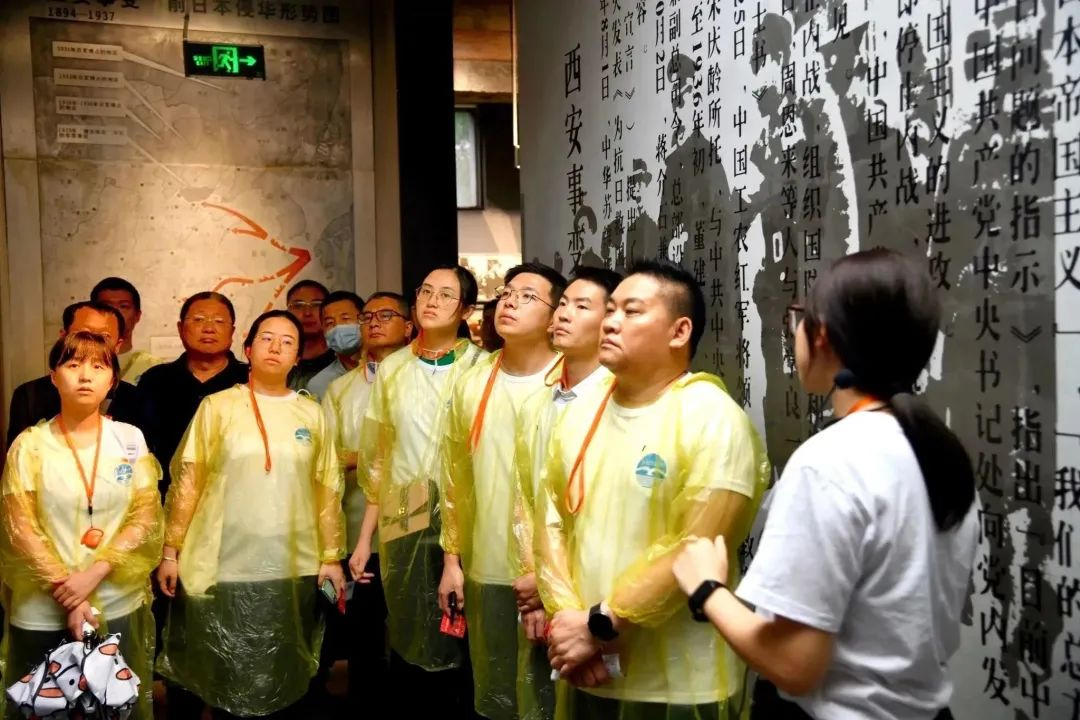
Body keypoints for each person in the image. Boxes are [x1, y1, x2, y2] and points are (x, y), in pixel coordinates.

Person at [673, 249, 979, 720]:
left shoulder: (829, 461)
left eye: (799, 318)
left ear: (822, 336)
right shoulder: (938, 454)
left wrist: (707, 590)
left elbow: (794, 665)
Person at [537, 260, 769, 720]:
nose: (611, 322)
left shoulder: (711, 417)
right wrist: (569, 622)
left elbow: (695, 547)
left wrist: (599, 625)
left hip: (680, 685)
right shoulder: (581, 412)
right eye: (611, 309)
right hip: (585, 667)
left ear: (679, 332)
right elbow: (551, 520)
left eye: (632, 311)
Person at [155, 311, 346, 719]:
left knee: (284, 674)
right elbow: (188, 482)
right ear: (247, 348)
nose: (276, 347)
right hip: (227, 563)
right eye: (266, 338)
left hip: (292, 564)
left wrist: (331, 556)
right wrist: (171, 551)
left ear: (298, 357)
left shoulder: (312, 414)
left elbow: (328, 488)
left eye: (288, 342)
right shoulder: (217, 406)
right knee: (228, 676)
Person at [0, 331, 163, 720]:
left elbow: (144, 516)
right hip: (41, 607)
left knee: (116, 707)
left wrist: (93, 575)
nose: (85, 375)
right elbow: (20, 527)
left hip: (117, 597)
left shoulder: (129, 439)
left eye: (98, 366)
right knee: (40, 707)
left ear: (113, 380)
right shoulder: (30, 444)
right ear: (54, 376)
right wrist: (69, 592)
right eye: (73, 364)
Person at [356, 265, 486, 715]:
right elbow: (379, 457)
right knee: (409, 620)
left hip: (467, 512)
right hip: (404, 508)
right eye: (426, 291)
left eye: (446, 294)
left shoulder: (482, 367)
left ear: (466, 309)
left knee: (465, 622)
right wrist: (364, 538)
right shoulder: (393, 368)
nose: (431, 300)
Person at [441, 262, 568, 720]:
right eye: (508, 292)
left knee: (554, 700)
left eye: (528, 296)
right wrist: (452, 562)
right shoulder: (472, 382)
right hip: (487, 568)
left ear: (556, 316)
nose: (510, 301)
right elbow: (455, 478)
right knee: (496, 695)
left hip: (559, 578)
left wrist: (553, 578)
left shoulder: (573, 382)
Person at [511, 266, 622, 720]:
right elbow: (526, 501)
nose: (563, 314)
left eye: (581, 306)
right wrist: (532, 579)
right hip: (542, 588)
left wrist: (551, 591)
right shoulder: (539, 402)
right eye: (562, 304)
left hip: (594, 600)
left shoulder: (617, 400)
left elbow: (605, 515)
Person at [321, 292, 412, 708]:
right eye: (367, 316)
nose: (373, 322)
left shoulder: (424, 381)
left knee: (415, 632)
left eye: (386, 315)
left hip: (416, 526)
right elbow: (325, 460)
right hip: (359, 530)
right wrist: (369, 457)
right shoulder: (340, 390)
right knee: (365, 637)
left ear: (408, 327)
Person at [135, 292, 248, 501]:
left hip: (235, 500)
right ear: (180, 328)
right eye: (198, 319)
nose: (209, 328)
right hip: (165, 499)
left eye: (219, 321)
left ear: (232, 331)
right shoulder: (155, 380)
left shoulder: (250, 379)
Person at [7, 301, 141, 445]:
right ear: (63, 337)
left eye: (104, 337)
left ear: (118, 345)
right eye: (83, 334)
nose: (92, 344)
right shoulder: (31, 395)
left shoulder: (135, 399)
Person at [91, 277, 164, 385]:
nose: (115, 312)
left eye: (123, 306)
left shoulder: (154, 367)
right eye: (106, 306)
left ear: (137, 316)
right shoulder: (76, 364)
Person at [306, 290, 367, 401]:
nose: (338, 326)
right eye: (329, 323)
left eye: (346, 319)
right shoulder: (318, 384)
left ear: (364, 320)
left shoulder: (385, 369)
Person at [285, 280, 335, 391]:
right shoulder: (279, 361)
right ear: (287, 312)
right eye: (298, 305)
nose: (307, 313)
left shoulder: (343, 362)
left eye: (317, 305)